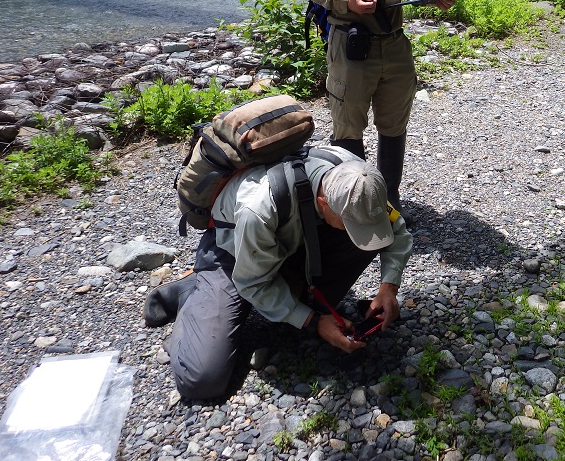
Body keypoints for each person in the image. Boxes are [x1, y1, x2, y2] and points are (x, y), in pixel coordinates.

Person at [143, 146, 412, 400]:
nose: (361, 234)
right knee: (202, 379)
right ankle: (195, 291)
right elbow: (253, 283)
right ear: (323, 202)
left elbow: (396, 229)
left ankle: (293, 295)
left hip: (289, 241)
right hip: (233, 254)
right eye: (351, 225)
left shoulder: (360, 181)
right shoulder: (258, 209)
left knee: (353, 248)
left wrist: (388, 288)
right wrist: (314, 322)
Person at [295, 0, 456, 220]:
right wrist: (344, 0)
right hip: (350, 44)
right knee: (349, 128)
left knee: (394, 124)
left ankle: (389, 203)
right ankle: (355, 209)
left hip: (394, 41)